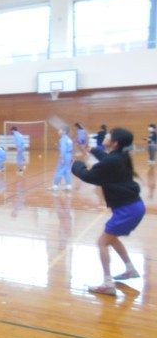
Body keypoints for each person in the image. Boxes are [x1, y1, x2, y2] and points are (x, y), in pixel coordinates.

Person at [72, 128, 145, 296]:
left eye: (109, 135)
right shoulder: (120, 157)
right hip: (133, 206)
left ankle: (108, 283)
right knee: (111, 238)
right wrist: (91, 149)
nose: (106, 135)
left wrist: (76, 165)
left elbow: (89, 176)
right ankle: (130, 269)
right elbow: (106, 158)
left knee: (102, 242)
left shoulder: (113, 161)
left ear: (115, 143)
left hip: (127, 209)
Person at [48, 125, 73, 191]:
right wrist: (71, 157)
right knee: (67, 171)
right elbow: (71, 148)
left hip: (65, 156)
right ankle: (69, 186)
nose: (58, 131)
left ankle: (55, 186)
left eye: (60, 130)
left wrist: (62, 158)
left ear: (64, 132)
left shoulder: (63, 139)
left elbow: (63, 149)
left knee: (59, 171)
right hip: (69, 156)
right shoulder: (68, 139)